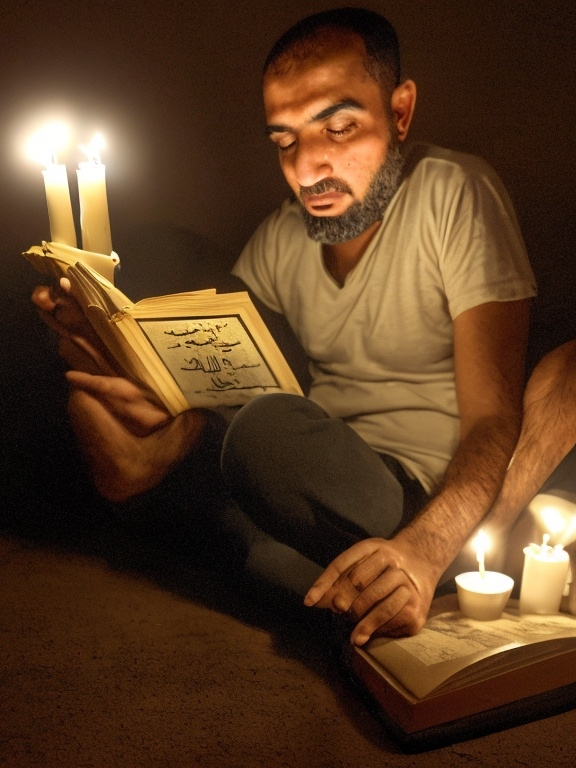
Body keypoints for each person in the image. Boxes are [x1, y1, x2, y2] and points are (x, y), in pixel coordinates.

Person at [32, 8, 575, 644]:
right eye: (285, 141)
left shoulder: (455, 194)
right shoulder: (281, 235)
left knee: (263, 438)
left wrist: (426, 550)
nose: (309, 168)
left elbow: (494, 419)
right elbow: (223, 366)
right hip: (295, 478)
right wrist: (140, 380)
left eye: (339, 128)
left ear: (400, 112)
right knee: (151, 257)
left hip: (400, 496)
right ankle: (262, 547)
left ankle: (272, 551)